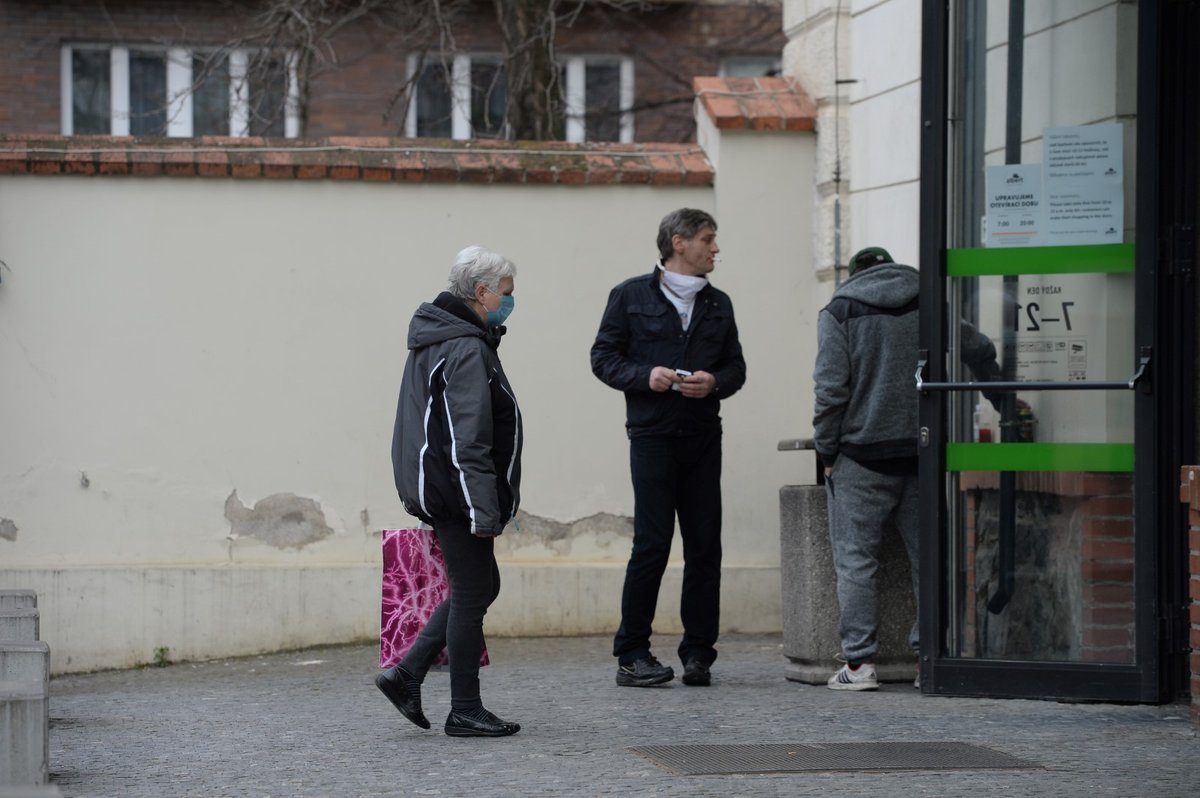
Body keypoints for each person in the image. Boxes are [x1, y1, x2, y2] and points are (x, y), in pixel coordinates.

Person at [813, 246, 1001, 691]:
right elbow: (978, 347)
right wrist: (1004, 400)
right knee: (929, 559)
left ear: (854, 275)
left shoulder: (839, 310)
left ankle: (859, 667)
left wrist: (826, 451)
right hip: (922, 452)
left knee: (856, 563)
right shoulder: (929, 302)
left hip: (861, 458)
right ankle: (928, 660)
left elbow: (830, 391)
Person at [591, 208, 747, 688]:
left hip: (703, 438)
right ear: (678, 243)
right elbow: (603, 358)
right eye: (707, 239)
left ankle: (698, 653)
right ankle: (632, 653)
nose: (715, 248)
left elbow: (737, 368)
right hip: (652, 437)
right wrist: (647, 376)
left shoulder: (718, 304)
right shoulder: (630, 295)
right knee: (652, 545)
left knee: (705, 548)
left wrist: (714, 381)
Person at [377, 245, 523, 736]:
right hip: (457, 491)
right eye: (505, 293)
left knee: (480, 586)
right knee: (472, 591)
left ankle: (406, 674)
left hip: (443, 486)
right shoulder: (463, 345)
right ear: (481, 293)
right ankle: (463, 708)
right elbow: (468, 436)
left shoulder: (444, 337)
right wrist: (483, 508)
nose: (509, 301)